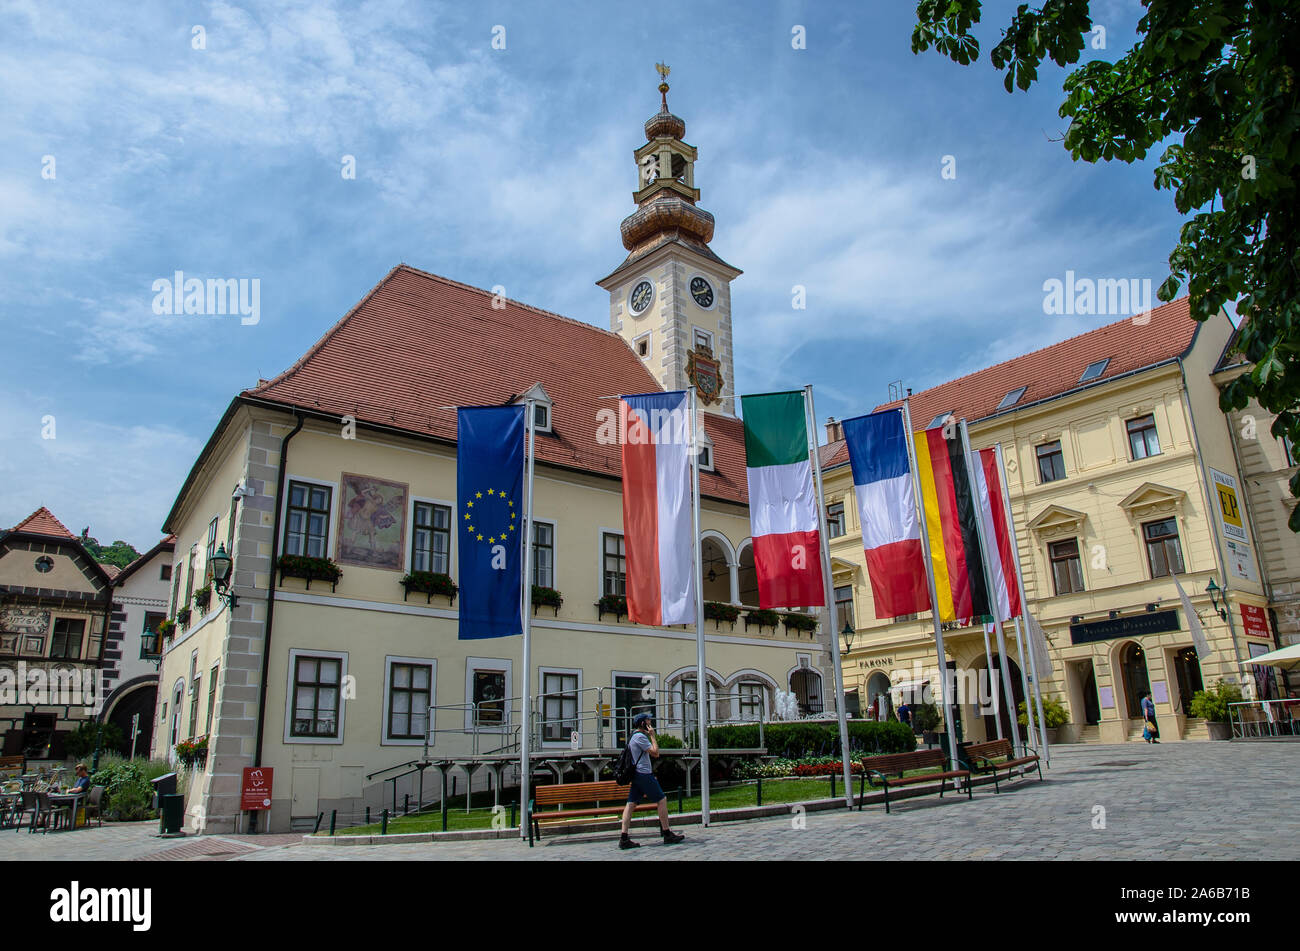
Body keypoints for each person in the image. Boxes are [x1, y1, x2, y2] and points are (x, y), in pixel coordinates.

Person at [619, 713, 684, 849]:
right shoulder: (640, 737)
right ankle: (667, 833)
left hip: (638, 775)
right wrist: (653, 736)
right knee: (661, 800)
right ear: (642, 723)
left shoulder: (633, 736)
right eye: (648, 720)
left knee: (631, 804)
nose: (650, 722)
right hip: (643, 774)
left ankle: (624, 838)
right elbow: (655, 752)